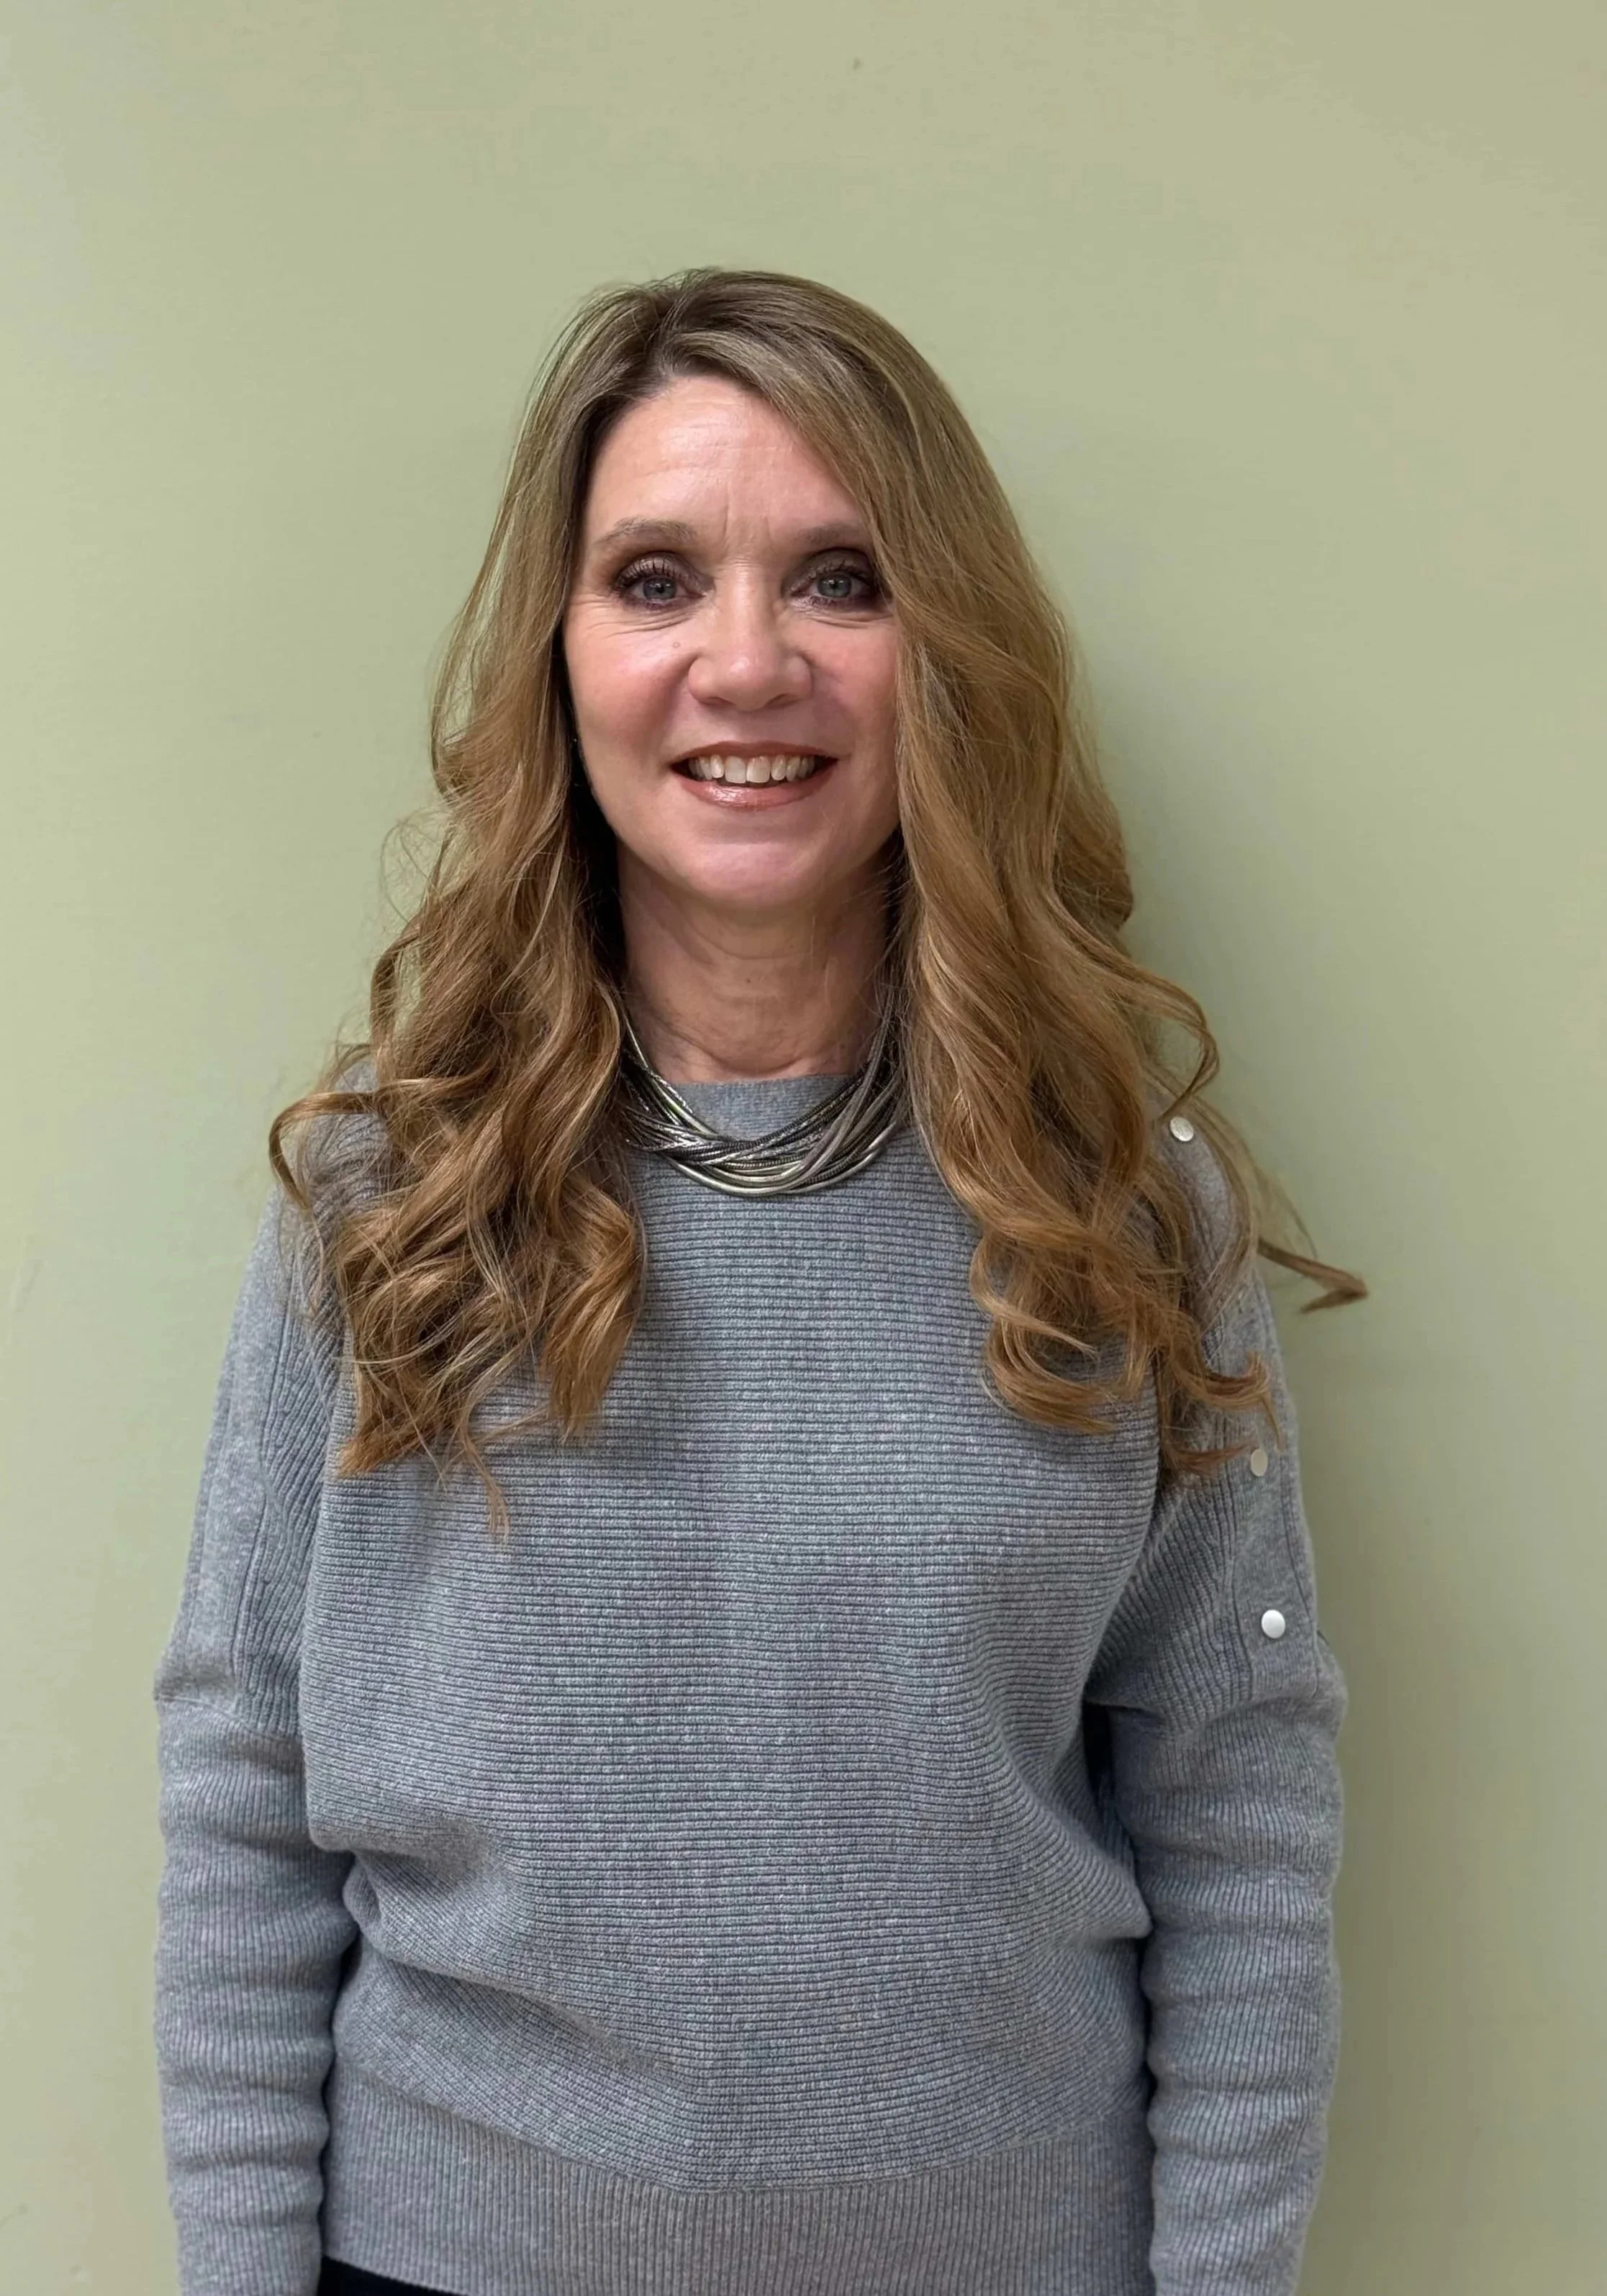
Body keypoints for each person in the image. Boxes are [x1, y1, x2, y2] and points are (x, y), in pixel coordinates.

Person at [153, 266, 1360, 2296]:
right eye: (651, 578)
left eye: (838, 580)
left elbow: (1243, 1809)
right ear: (557, 657)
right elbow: (243, 1791)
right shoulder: (389, 1195)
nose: (744, 662)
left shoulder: (1122, 1214)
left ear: (940, 652)